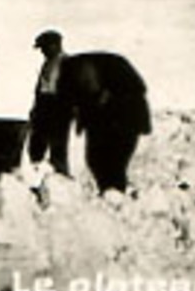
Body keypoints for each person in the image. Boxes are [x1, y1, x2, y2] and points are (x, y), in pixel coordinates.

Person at [58, 50, 152, 194]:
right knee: (97, 160)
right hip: (108, 118)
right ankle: (112, 195)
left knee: (112, 163)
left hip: (123, 119)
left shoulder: (77, 68)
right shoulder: (77, 70)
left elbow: (90, 91)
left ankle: (115, 197)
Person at [27, 30, 72, 175]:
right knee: (36, 147)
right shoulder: (47, 64)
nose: (43, 52)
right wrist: (36, 109)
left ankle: (60, 176)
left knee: (57, 149)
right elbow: (41, 89)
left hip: (57, 109)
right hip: (44, 108)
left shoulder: (66, 63)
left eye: (45, 47)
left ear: (55, 45)